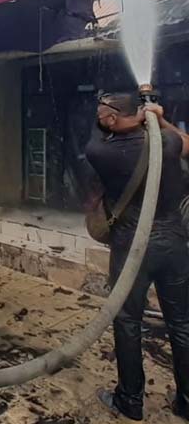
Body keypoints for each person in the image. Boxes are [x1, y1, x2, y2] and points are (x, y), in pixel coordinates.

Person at [86, 93, 189, 421]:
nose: (98, 116)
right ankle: (187, 402)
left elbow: (97, 132)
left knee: (127, 321)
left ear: (114, 120)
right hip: (174, 245)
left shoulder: (100, 151)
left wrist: (147, 122)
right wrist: (159, 119)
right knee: (183, 322)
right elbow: (186, 142)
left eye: (102, 112)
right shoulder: (166, 144)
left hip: (133, 246)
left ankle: (130, 401)